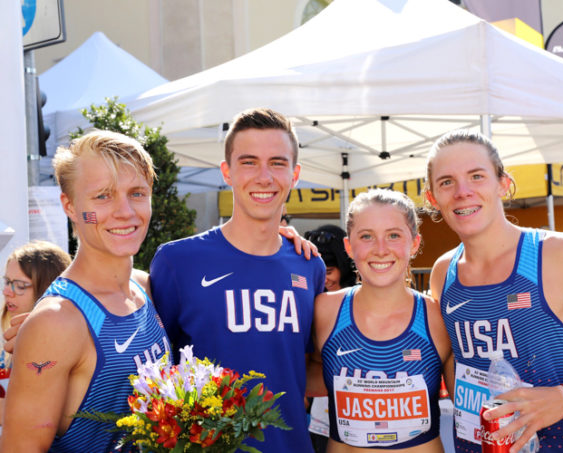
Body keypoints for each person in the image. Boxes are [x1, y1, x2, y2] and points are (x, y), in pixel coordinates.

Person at [423, 130, 563, 453]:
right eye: (446, 182)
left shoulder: (561, 253)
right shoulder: (443, 272)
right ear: (432, 197)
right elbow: (455, 369)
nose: (463, 192)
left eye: (476, 176)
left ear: (503, 183)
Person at [150, 108, 326, 453]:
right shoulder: (177, 262)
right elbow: (153, 370)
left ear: (295, 174)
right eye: (249, 162)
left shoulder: (309, 265)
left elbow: (305, 369)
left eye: (277, 163)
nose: (264, 176)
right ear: (227, 172)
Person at [0, 130, 172, 452]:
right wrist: (42, 335)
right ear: (69, 205)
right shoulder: (56, 322)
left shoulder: (146, 287)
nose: (125, 211)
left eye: (137, 193)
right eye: (103, 196)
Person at [311, 188, 452, 451]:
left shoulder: (438, 317)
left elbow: (475, 405)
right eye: (367, 236)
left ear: (415, 243)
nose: (381, 249)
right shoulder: (323, 311)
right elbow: (298, 375)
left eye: (394, 235)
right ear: (348, 246)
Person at [0, 241, 71, 422]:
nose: (7, 291)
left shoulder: (62, 343)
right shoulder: (9, 334)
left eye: (20, 285)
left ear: (47, 288)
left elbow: (38, 416)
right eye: (7, 282)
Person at [304, 224, 356, 452]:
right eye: (319, 271)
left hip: (358, 425)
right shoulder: (311, 302)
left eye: (330, 270)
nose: (324, 278)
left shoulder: (359, 302)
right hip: (320, 425)